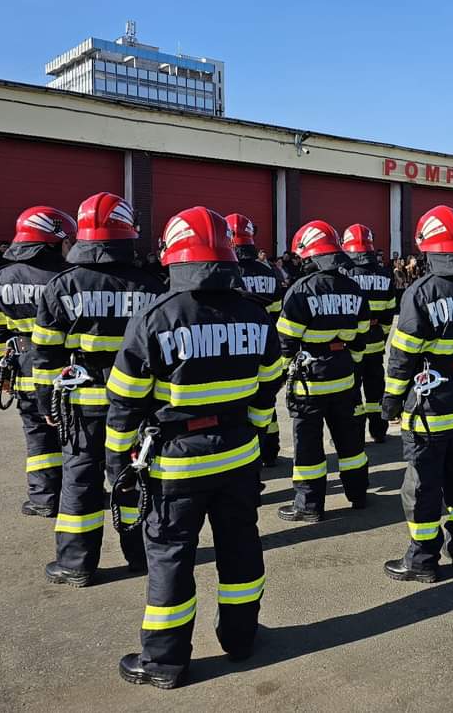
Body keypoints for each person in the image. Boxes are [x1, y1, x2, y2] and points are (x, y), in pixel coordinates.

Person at [105, 206, 285, 689]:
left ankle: (164, 661)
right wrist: (253, 433)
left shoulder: (154, 318)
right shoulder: (254, 313)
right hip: (238, 456)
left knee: (171, 557)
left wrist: (118, 467)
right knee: (240, 546)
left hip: (175, 465)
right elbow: (268, 385)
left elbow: (124, 403)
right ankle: (241, 638)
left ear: (172, 255)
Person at [31, 192, 166, 587]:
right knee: (136, 477)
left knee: (80, 480)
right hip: (136, 406)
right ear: (128, 235)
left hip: (81, 405)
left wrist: (45, 402)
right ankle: (142, 555)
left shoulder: (61, 286)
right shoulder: (152, 286)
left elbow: (46, 353)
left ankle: (76, 563)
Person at [381, 206, 453, 582]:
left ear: (427, 246)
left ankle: (422, 559)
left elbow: (403, 354)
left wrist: (392, 398)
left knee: (423, 486)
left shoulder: (420, 292)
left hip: (427, 405)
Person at [275, 221, 370, 522]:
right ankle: (358, 494)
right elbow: (362, 336)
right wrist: (350, 365)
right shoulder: (353, 288)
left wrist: (284, 375)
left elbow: (286, 341)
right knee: (351, 442)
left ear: (312, 257)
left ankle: (309, 505)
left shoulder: (301, 290)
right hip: (344, 376)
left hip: (309, 383)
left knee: (309, 448)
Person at [0, 206, 75, 517]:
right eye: (67, 241)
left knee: (37, 437)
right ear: (52, 242)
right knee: (71, 434)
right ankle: (74, 494)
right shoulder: (65, 278)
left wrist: (1, 372)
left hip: (23, 370)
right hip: (64, 372)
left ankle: (43, 498)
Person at [225, 213, 284, 466]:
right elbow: (278, 310)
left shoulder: (226, 272)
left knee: (238, 404)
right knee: (266, 400)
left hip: (236, 346)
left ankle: (242, 455)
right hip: (266, 344)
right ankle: (270, 451)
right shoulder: (268, 272)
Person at [341, 223, 399, 446]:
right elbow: (389, 312)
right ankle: (379, 431)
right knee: (375, 389)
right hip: (375, 341)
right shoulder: (384, 274)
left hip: (350, 343)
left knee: (352, 392)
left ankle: (355, 434)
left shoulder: (345, 274)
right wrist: (381, 336)